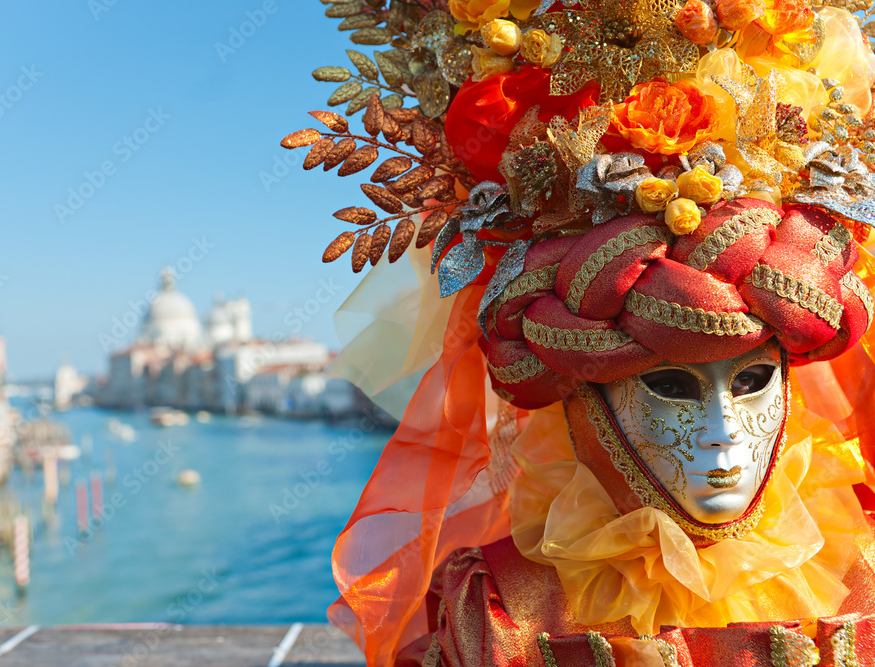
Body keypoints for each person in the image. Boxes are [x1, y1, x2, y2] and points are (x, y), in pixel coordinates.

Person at [282, 0, 875, 663]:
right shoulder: (503, 613)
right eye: (671, 384)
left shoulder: (861, 575)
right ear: (582, 390)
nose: (724, 433)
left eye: (754, 379)